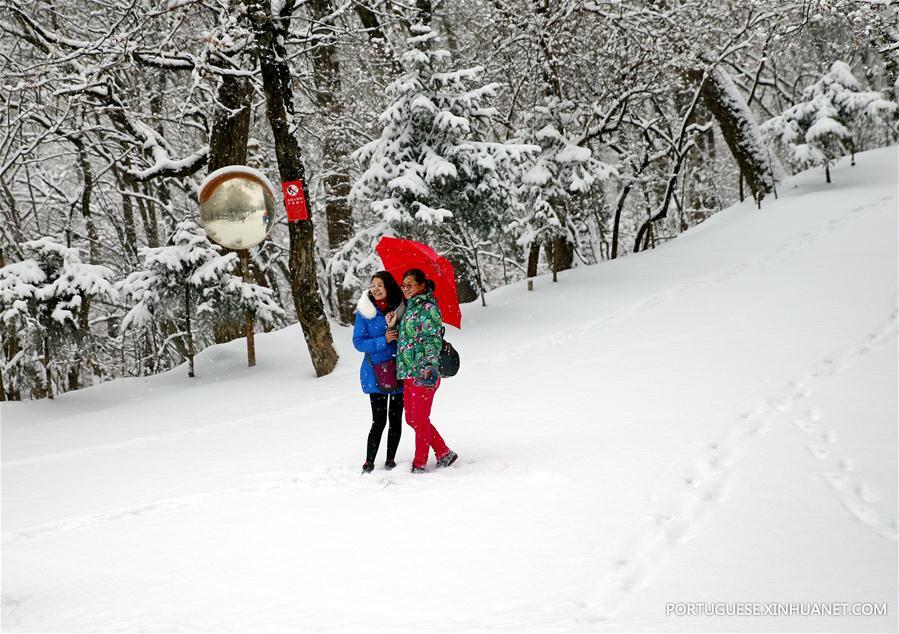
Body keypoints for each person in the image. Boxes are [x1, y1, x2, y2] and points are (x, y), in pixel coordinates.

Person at [396, 268, 458, 473]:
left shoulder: (428, 308)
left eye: (409, 284)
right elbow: (412, 338)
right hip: (408, 370)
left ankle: (420, 464)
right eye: (403, 284)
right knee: (412, 419)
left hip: (423, 371)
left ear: (422, 285)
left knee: (420, 419)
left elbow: (432, 340)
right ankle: (443, 452)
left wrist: (430, 367)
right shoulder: (408, 307)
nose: (405, 288)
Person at [352, 272, 405, 473]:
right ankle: (369, 461)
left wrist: (397, 328)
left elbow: (407, 337)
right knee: (379, 419)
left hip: (398, 369)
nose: (375, 288)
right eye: (373, 284)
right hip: (375, 373)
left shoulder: (401, 309)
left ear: (388, 287)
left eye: (380, 284)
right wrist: (384, 339)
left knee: (395, 418)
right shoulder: (365, 312)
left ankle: (390, 459)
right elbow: (358, 342)